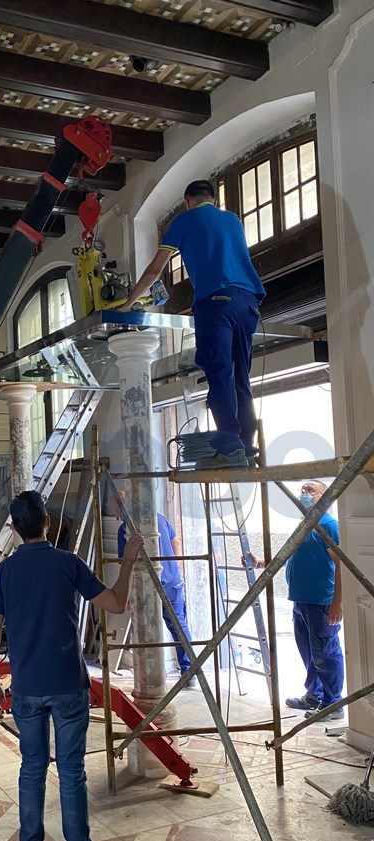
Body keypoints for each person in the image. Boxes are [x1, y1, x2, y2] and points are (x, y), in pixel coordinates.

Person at [0, 490, 144, 841]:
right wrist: (126, 563)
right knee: (72, 773)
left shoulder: (4, 572)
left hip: (26, 688)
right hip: (68, 686)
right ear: (47, 524)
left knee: (31, 770)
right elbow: (117, 604)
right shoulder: (68, 563)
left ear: (14, 529)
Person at [118, 180, 266, 470]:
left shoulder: (185, 219)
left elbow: (155, 269)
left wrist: (127, 305)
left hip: (216, 302)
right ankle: (246, 446)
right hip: (247, 303)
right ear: (213, 199)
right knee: (240, 376)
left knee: (219, 371)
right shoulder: (233, 220)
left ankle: (229, 446)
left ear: (187, 201)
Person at [248, 481, 343, 721]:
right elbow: (289, 554)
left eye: (311, 489)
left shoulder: (329, 526)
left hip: (321, 602)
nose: (304, 493)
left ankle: (333, 704)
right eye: (302, 489)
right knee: (309, 652)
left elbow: (342, 565)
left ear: (325, 497)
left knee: (326, 652)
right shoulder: (304, 524)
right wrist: (261, 563)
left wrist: (337, 603)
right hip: (301, 600)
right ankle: (314, 694)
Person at [111, 492, 194, 685]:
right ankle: (190, 671)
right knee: (179, 626)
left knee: (147, 630)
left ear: (120, 507)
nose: (112, 512)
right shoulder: (159, 518)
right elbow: (176, 542)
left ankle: (150, 678)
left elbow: (126, 564)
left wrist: (129, 595)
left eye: (113, 508)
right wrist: (176, 568)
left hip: (148, 587)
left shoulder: (125, 529)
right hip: (173, 581)